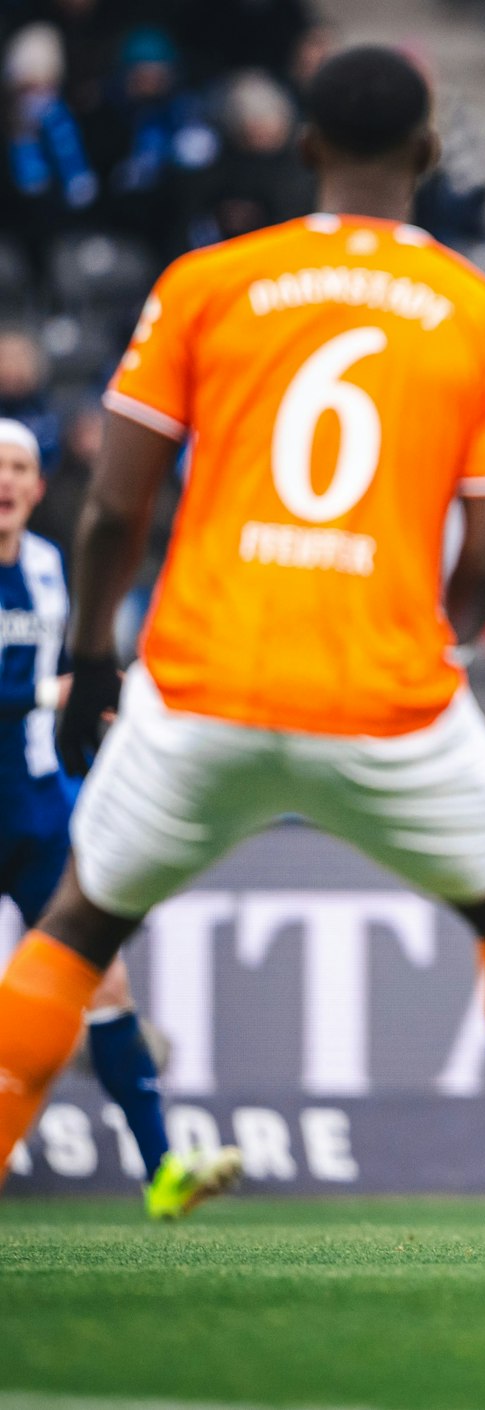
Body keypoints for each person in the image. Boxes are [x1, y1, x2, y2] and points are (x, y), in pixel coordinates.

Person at [0, 46, 485, 1303]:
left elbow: (114, 507)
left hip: (199, 685)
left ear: (302, 151)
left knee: (78, 924)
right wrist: (439, 650)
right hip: (385, 700)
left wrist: (87, 664)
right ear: (429, 157)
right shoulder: (480, 310)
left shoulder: (209, 283)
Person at [1, 416, 242, 1217]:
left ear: (38, 489)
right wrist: (49, 695)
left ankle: (164, 1174)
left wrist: (98, 708)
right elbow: (46, 686)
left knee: (106, 987)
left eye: (18, 468)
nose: (5, 481)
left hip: (37, 814)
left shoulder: (44, 568)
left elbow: (66, 674)